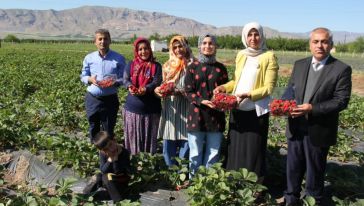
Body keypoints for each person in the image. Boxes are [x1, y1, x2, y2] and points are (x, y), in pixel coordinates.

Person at [283, 27, 352, 206]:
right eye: (316, 41)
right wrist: (284, 104)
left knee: (315, 172)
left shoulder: (341, 69)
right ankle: (291, 200)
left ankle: (313, 201)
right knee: (293, 168)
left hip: (318, 129)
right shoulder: (300, 64)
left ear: (331, 45)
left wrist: (312, 108)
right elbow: (290, 90)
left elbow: (340, 101)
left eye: (324, 41)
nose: (319, 45)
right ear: (310, 44)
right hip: (295, 125)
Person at [214, 22, 279, 182]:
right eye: (249, 34)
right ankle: (234, 181)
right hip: (237, 109)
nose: (253, 38)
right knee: (235, 147)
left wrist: (249, 94)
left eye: (256, 34)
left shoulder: (268, 56)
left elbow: (269, 88)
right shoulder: (241, 54)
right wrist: (224, 87)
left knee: (253, 149)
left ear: (262, 36)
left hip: (256, 110)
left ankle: (253, 185)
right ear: (245, 36)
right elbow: (237, 81)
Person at [184, 34, 228, 176]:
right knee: (195, 152)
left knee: (213, 152)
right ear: (199, 46)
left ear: (215, 47)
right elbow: (188, 91)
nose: (207, 46)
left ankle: (208, 183)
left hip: (216, 115)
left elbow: (225, 90)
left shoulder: (221, 68)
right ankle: (194, 183)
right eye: (204, 43)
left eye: (211, 43)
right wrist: (201, 100)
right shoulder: (192, 67)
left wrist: (222, 100)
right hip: (196, 116)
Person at [155, 35, 194, 166]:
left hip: (187, 107)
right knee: (169, 139)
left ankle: (182, 171)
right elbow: (162, 84)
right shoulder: (167, 66)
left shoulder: (193, 65)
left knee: (186, 139)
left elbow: (197, 88)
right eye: (175, 47)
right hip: (170, 106)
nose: (178, 50)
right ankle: (171, 171)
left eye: (180, 46)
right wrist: (159, 90)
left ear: (186, 46)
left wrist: (179, 91)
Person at [80, 29, 125, 141]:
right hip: (92, 99)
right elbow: (83, 76)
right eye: (100, 39)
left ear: (110, 41)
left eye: (105, 39)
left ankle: (107, 154)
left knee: (109, 129)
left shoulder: (119, 58)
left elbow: (125, 78)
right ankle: (94, 150)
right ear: (95, 42)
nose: (102, 41)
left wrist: (115, 82)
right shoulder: (89, 58)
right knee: (93, 126)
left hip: (110, 99)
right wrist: (90, 79)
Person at [123, 37, 162, 155]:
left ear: (150, 49)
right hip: (132, 110)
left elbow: (156, 82)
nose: (143, 51)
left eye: (145, 48)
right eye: (140, 49)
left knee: (149, 140)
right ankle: (133, 164)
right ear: (136, 51)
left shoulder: (156, 66)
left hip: (151, 110)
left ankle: (148, 167)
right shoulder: (131, 64)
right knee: (133, 139)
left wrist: (146, 89)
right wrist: (130, 86)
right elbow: (125, 79)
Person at [92, 131, 131, 202]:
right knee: (98, 176)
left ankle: (118, 199)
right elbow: (102, 170)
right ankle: (85, 194)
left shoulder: (124, 152)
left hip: (122, 179)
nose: (111, 149)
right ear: (102, 150)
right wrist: (110, 160)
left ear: (114, 140)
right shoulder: (103, 153)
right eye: (106, 149)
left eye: (110, 144)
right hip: (109, 181)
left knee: (106, 177)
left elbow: (118, 172)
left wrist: (115, 159)